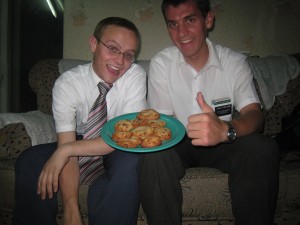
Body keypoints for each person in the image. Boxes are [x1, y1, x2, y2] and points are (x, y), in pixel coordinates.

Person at [138, 0, 280, 225]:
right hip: (179, 143)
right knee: (153, 155)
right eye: (173, 24)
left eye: (190, 20)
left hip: (222, 142)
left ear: (209, 19)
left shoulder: (234, 62)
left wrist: (225, 130)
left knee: (263, 148)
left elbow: (254, 114)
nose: (181, 32)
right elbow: (161, 124)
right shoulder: (161, 63)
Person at [14, 17, 147, 225]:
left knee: (131, 160)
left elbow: (124, 139)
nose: (120, 61)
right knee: (29, 160)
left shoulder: (135, 76)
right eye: (113, 48)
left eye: (129, 55)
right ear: (94, 44)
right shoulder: (68, 84)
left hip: (120, 144)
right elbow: (66, 142)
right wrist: (70, 207)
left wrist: (66, 151)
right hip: (81, 138)